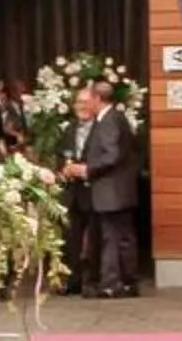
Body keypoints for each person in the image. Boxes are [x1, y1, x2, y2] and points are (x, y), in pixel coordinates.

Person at [59, 80, 138, 297]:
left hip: (112, 191)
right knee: (119, 238)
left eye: (88, 100)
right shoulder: (112, 119)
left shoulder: (110, 120)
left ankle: (112, 283)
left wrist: (87, 169)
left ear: (97, 99)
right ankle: (125, 282)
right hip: (112, 190)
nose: (85, 106)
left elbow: (112, 155)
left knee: (112, 238)